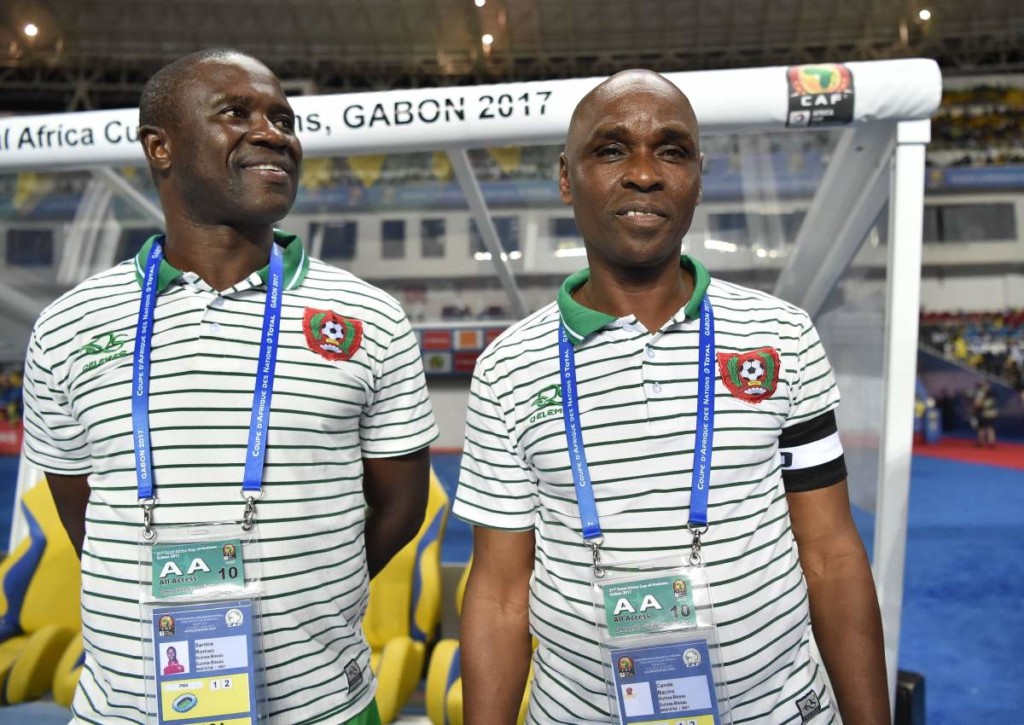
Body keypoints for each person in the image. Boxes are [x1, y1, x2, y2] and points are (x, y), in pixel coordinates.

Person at [454, 69, 889, 724]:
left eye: (672, 151)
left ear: (698, 178)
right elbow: (500, 592)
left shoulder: (782, 336)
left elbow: (830, 554)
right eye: (611, 150)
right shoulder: (507, 368)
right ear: (567, 177)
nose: (644, 174)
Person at [21, 49, 437, 724]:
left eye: (283, 119)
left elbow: (400, 506)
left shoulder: (368, 316)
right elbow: (81, 512)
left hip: (323, 708)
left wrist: (314, 585)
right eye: (236, 113)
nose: (272, 134)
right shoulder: (69, 325)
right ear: (160, 147)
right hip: (124, 709)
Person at [971, 380, 999, 447]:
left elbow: (977, 403)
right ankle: (991, 442)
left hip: (984, 413)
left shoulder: (981, 393)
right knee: (990, 427)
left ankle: (982, 442)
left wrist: (975, 408)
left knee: (982, 428)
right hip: (992, 413)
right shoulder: (993, 393)